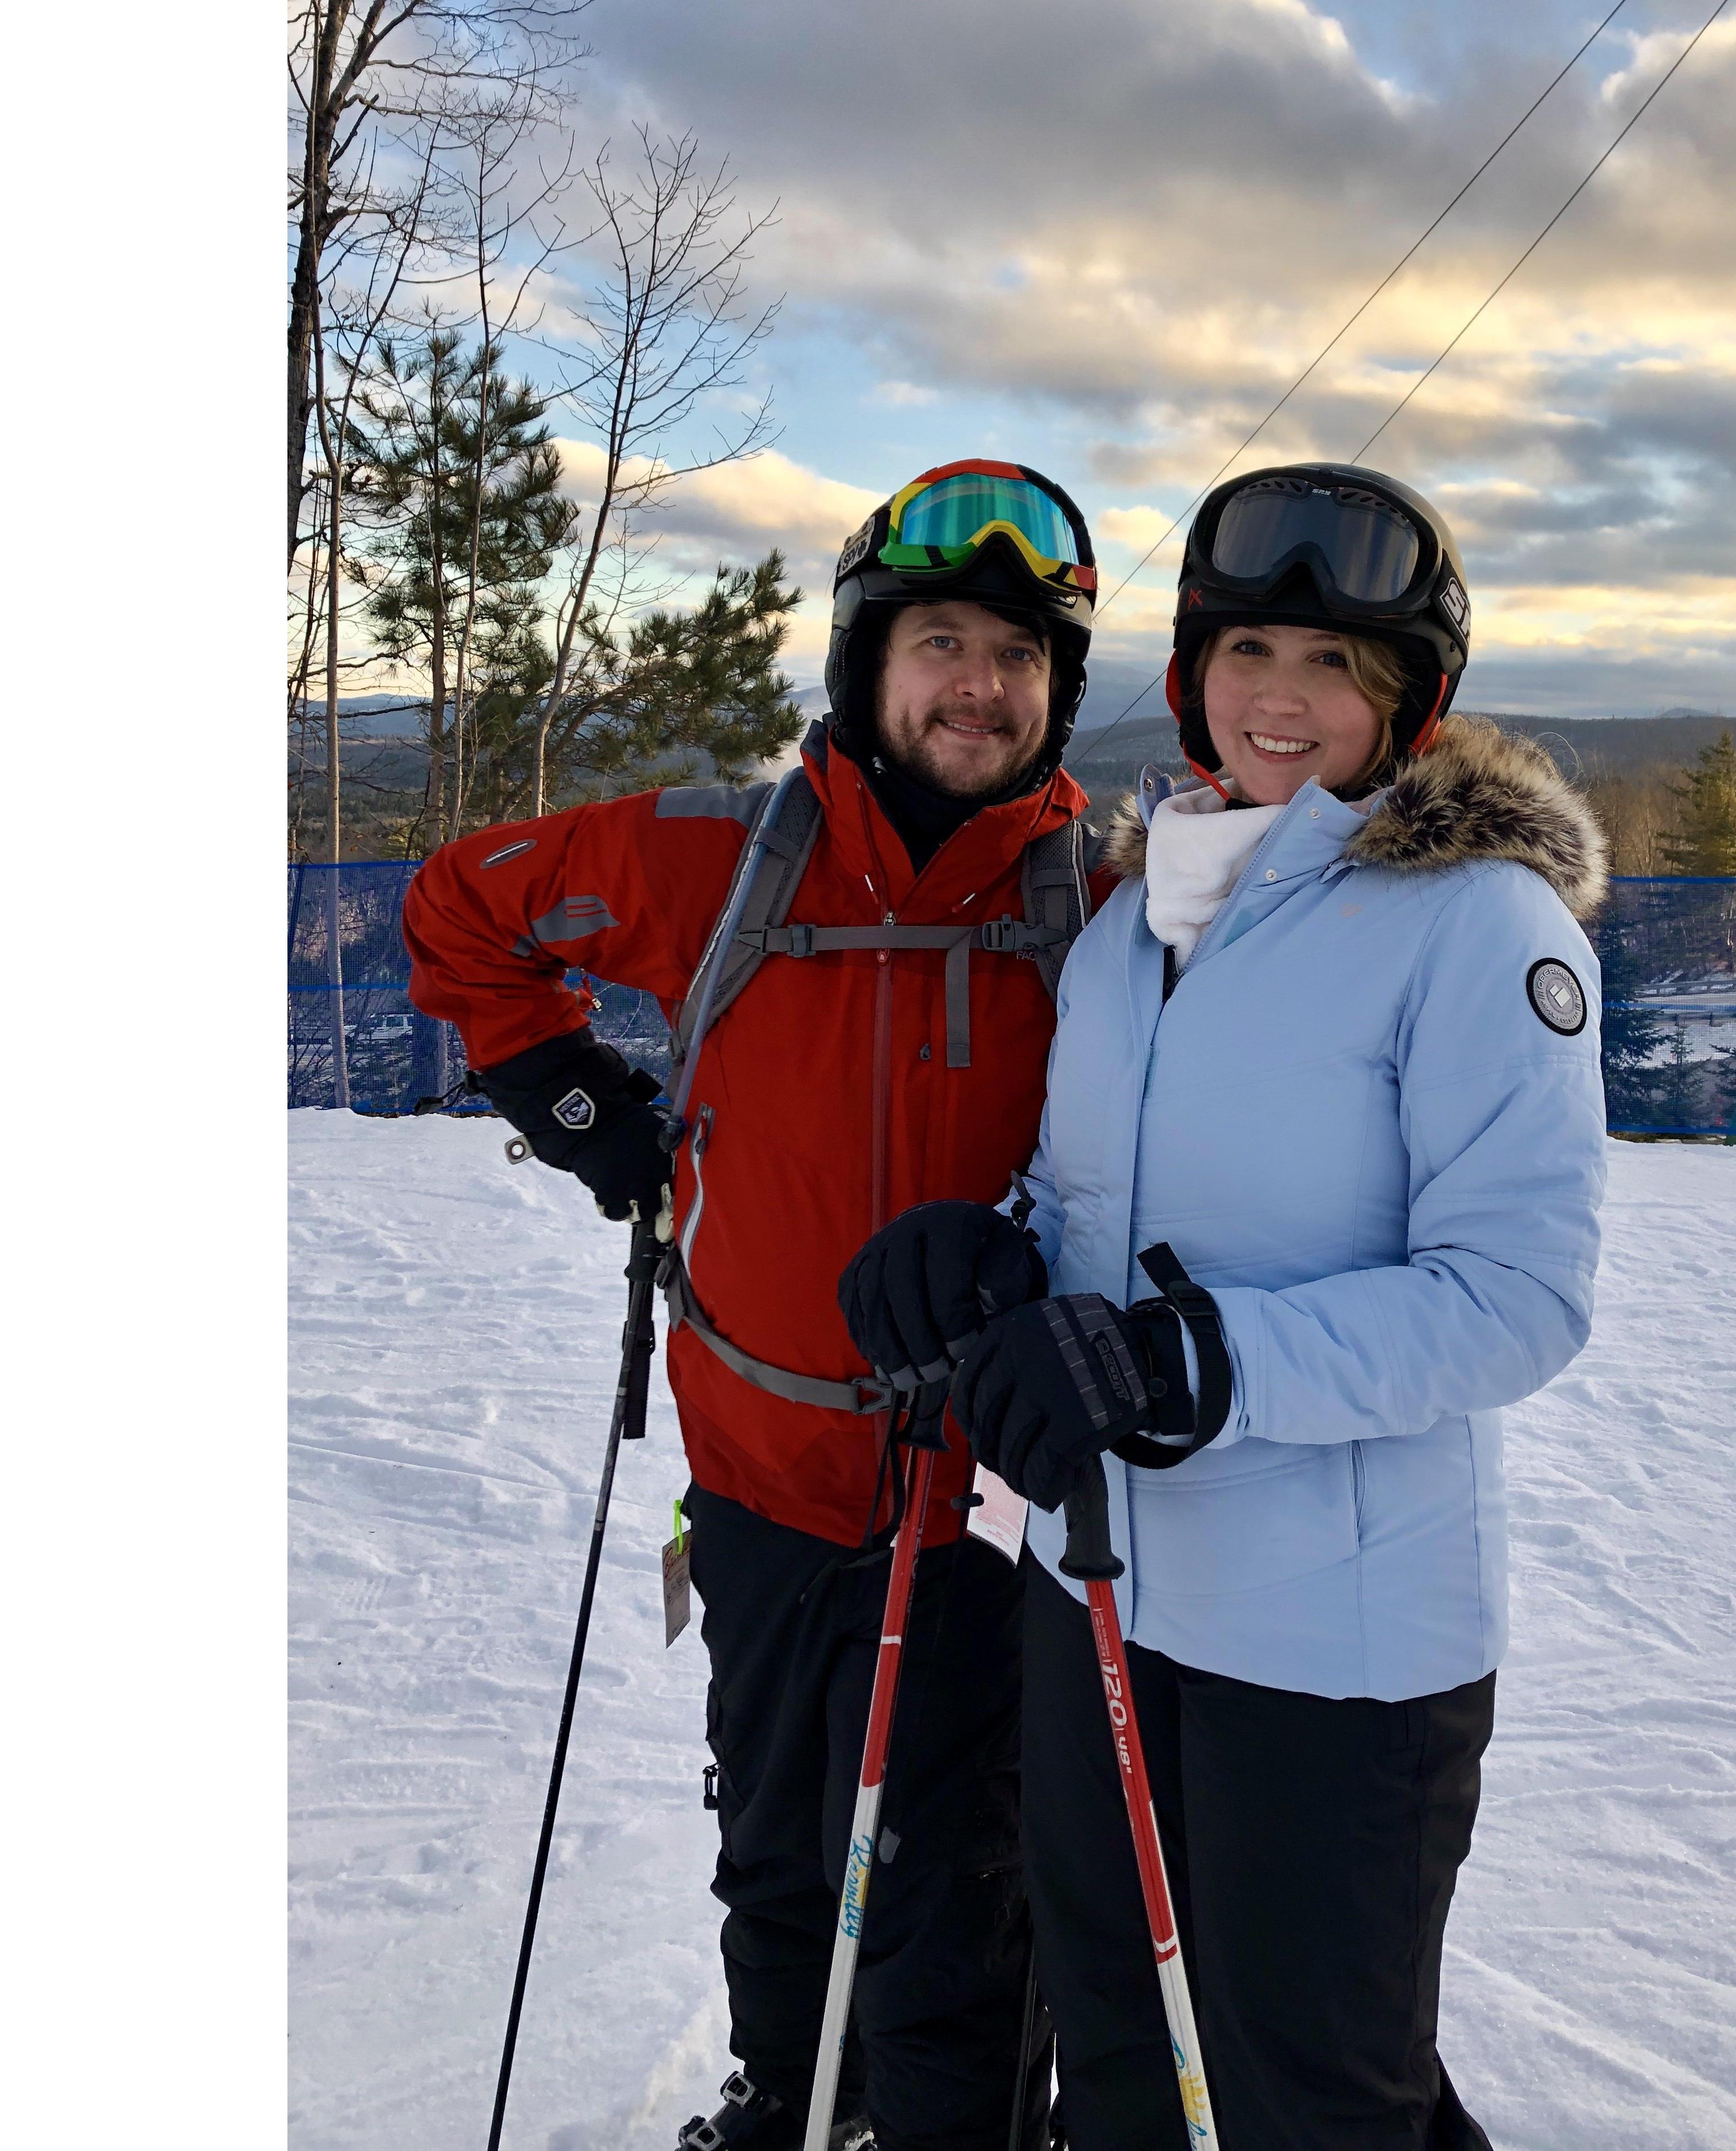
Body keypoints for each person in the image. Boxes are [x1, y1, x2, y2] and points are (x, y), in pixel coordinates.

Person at [839, 463, 1610, 2150]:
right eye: (1255, 647)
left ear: (1408, 707)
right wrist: (989, 1253)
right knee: (1117, 2048)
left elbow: (1516, 1298)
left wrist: (1193, 1361)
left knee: (1306, 2096)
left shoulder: (1476, 926)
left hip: (1335, 1646)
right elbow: (1089, 1209)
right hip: (1100, 1586)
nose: (1285, 698)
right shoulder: (1134, 921)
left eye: (1340, 667)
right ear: (1195, 670)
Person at [403, 461, 1114, 2151]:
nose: (979, 686)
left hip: (988, 1508)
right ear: (870, 660)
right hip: (763, 1478)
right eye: (942, 640)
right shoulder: (710, 859)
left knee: (969, 1884)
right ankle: (799, 2103)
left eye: (1019, 657)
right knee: (787, 1843)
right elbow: (461, 911)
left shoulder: (1101, 901)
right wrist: (599, 1126)